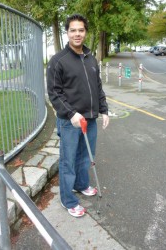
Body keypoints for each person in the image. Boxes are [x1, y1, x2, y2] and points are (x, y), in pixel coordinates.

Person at [46, 14, 109, 217]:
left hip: (90, 119)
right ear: (67, 33)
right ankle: (68, 200)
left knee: (85, 157)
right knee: (68, 161)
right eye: (73, 30)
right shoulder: (58, 61)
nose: (77, 34)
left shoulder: (91, 58)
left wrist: (104, 109)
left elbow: (97, 87)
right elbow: (54, 93)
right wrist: (70, 113)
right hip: (70, 121)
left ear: (85, 32)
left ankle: (81, 184)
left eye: (81, 30)